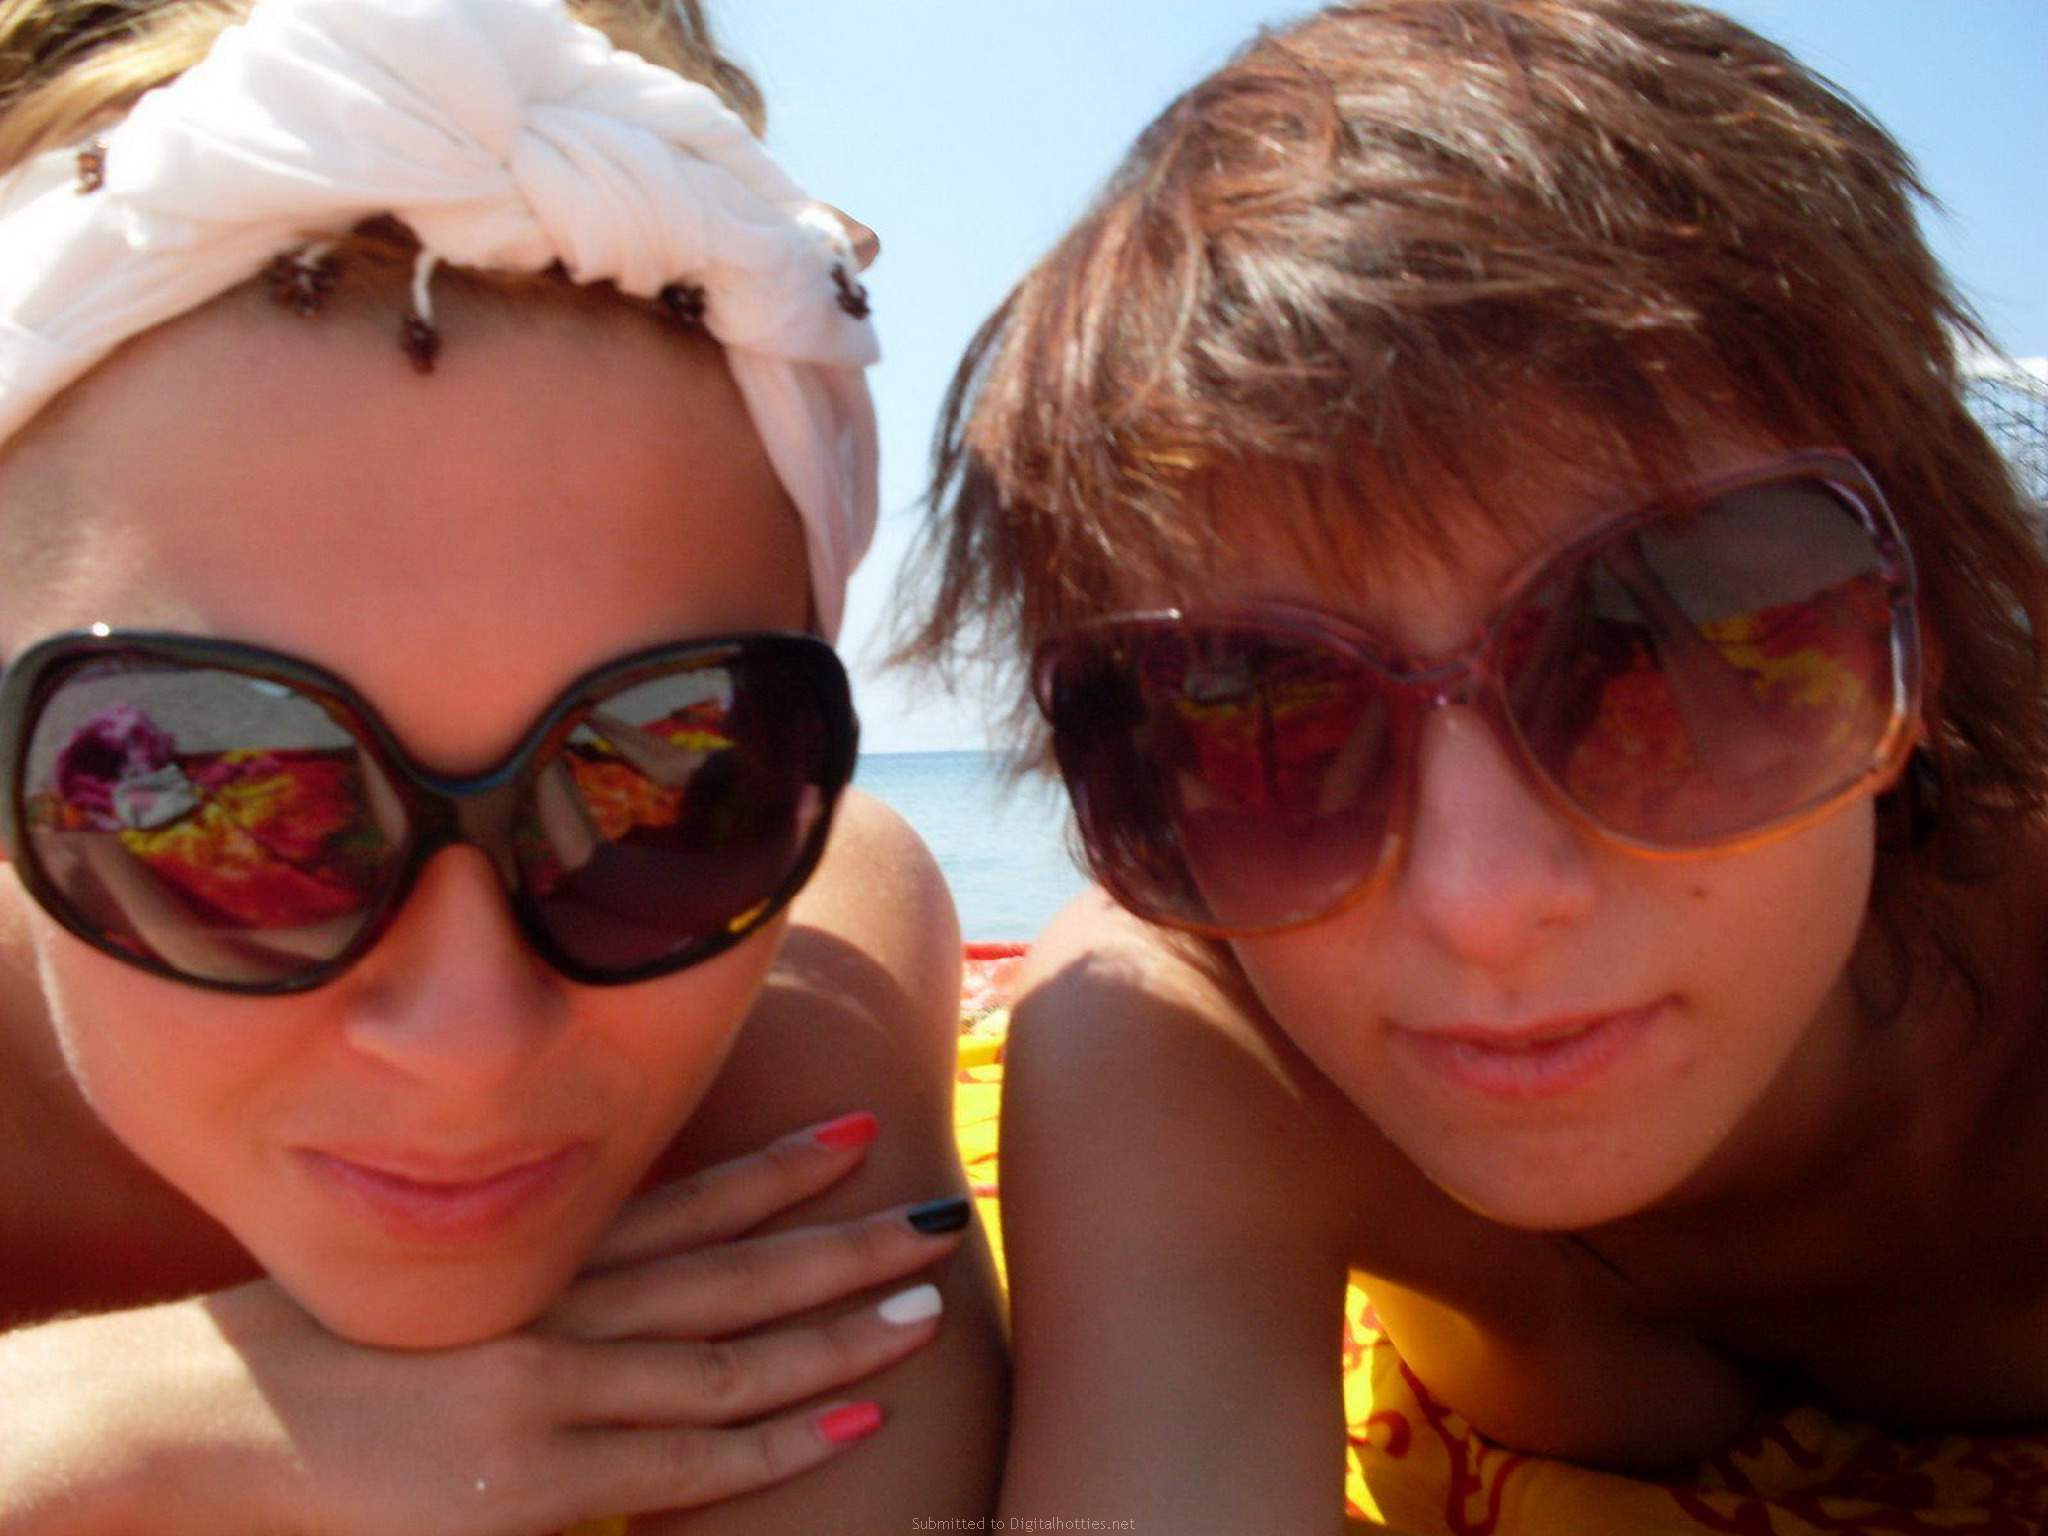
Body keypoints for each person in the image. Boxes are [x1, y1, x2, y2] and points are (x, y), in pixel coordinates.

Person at [903, 0, 2048, 1529]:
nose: (1484, 904)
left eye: (1662, 639)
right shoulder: (1192, 1035)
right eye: (1260, 709)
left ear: (1929, 617)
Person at [0, 0, 1004, 1530]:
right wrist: (110, 1424)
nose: (469, 1041)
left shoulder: (807, 961)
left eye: (671, 784)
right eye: (205, 791)